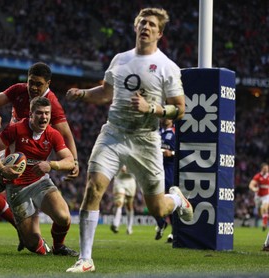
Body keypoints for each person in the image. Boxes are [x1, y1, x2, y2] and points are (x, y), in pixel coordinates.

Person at [64, 7, 193, 273]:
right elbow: (106, 93)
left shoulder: (168, 67)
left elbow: (180, 109)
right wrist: (83, 94)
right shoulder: (120, 59)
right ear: (135, 27)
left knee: (158, 208)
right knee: (94, 187)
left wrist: (153, 109)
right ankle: (85, 259)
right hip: (114, 132)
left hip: (145, 140)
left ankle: (178, 200)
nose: (146, 27)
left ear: (159, 32)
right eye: (142, 22)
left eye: (151, 24)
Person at [0, 62, 79, 252]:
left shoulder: (52, 105)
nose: (33, 87)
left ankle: (31, 232)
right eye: (31, 82)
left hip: (30, 156)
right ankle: (15, 226)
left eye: (38, 84)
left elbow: (66, 134)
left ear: (47, 84)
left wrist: (73, 161)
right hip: (10, 150)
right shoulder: (19, 90)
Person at [154, 118, 176, 242]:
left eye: (168, 116)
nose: (164, 119)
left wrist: (171, 153)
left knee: (169, 198)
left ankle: (174, 231)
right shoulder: (157, 132)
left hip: (169, 169)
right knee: (153, 198)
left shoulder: (175, 132)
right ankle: (161, 222)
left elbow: (183, 151)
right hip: (156, 168)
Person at [110, 165, 137, 235]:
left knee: (129, 205)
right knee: (119, 202)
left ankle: (129, 227)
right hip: (119, 180)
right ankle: (115, 224)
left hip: (130, 180)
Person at [249, 162, 269, 231]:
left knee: (264, 208)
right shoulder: (257, 176)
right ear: (262, 169)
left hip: (266, 196)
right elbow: (251, 185)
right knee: (259, 212)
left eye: (267, 169)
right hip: (258, 196)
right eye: (265, 169)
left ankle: (264, 224)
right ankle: (265, 217)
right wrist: (254, 189)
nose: (266, 170)